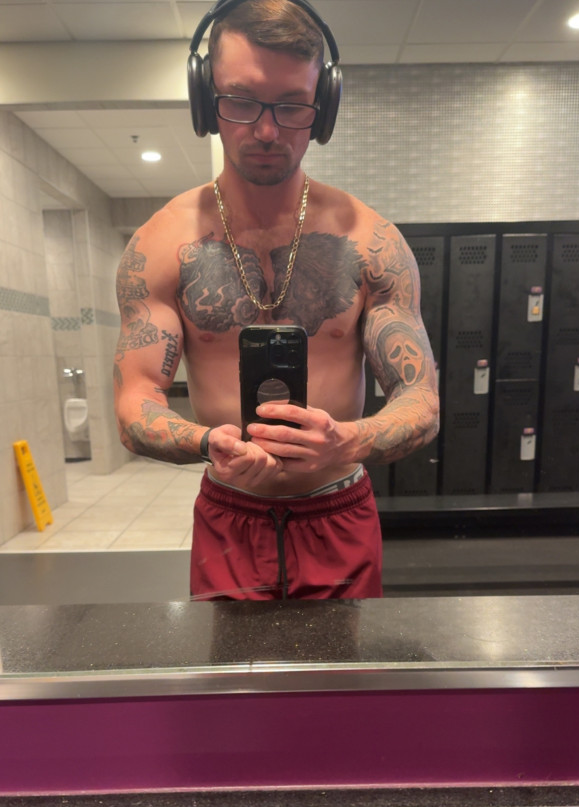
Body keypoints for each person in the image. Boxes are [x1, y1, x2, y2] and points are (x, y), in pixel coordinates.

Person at [113, 0, 439, 601]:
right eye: (241, 101)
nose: (266, 130)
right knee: (228, 664)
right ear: (206, 100)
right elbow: (136, 401)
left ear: (323, 108)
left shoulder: (372, 242)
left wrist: (348, 441)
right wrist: (206, 442)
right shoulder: (160, 245)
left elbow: (420, 398)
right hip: (230, 515)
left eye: (292, 106)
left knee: (344, 664)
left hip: (338, 509)